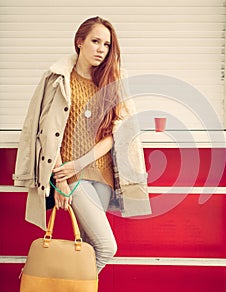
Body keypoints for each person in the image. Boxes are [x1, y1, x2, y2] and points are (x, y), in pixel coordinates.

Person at [13, 16, 151, 273]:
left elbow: (113, 135)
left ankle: (61, 283)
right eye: (95, 41)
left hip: (102, 176)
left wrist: (81, 162)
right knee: (107, 247)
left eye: (107, 44)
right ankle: (60, 283)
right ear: (80, 42)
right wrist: (61, 179)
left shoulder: (110, 82)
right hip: (71, 175)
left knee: (89, 247)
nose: (101, 49)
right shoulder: (58, 79)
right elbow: (46, 132)